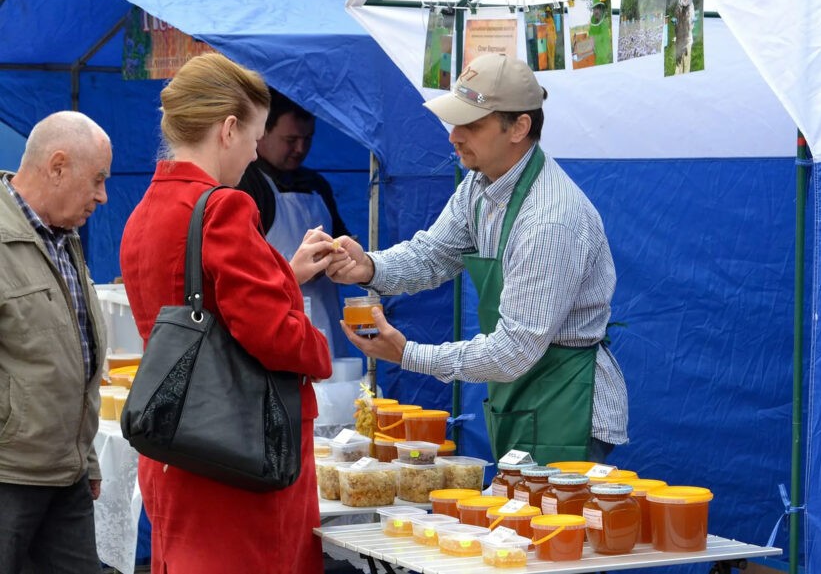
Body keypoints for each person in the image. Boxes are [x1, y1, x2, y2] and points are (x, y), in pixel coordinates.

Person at [328, 53, 628, 466]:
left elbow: (513, 351)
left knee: (558, 529)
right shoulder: (479, 185)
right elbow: (433, 255)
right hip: (521, 393)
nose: (453, 136)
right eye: (454, 122)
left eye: (471, 124)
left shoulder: (549, 219)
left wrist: (409, 354)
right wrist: (371, 267)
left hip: (567, 404)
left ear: (519, 127)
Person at [119, 53, 334, 573]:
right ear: (229, 129)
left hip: (177, 442)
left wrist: (284, 274)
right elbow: (272, 336)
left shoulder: (144, 212)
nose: (254, 155)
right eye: (256, 139)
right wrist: (320, 347)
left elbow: (206, 300)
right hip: (240, 453)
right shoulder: (224, 207)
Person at [0, 111, 111, 573]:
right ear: (58, 166)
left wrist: (86, 458)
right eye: (98, 180)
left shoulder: (63, 237)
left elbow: (73, 359)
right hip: (8, 477)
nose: (103, 197)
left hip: (67, 477)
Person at [238, 89, 351, 357]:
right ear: (262, 132)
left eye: (307, 139)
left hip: (326, 319)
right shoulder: (247, 184)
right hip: (277, 323)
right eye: (290, 139)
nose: (300, 149)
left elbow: (342, 237)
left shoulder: (316, 184)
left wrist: (344, 252)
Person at [674, 0, 696, 75]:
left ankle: (686, 76)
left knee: (686, 60)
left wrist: (691, 24)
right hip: (679, 36)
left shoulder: (691, 5)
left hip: (687, 37)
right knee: (678, 59)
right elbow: (676, 19)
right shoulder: (678, 5)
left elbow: (692, 22)